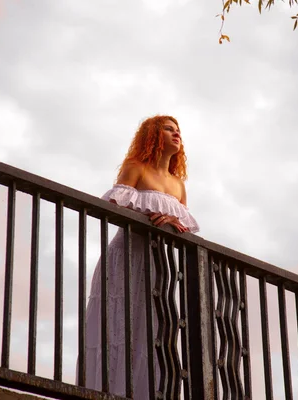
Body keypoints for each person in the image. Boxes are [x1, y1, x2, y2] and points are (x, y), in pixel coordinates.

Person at [81, 115, 200, 397]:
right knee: (116, 325)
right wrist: (147, 216)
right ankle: (105, 391)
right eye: (168, 129)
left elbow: (184, 231)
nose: (176, 134)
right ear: (152, 135)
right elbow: (114, 206)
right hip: (124, 256)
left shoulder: (179, 185)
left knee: (152, 332)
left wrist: (170, 221)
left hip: (158, 265)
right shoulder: (136, 167)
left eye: (178, 130)